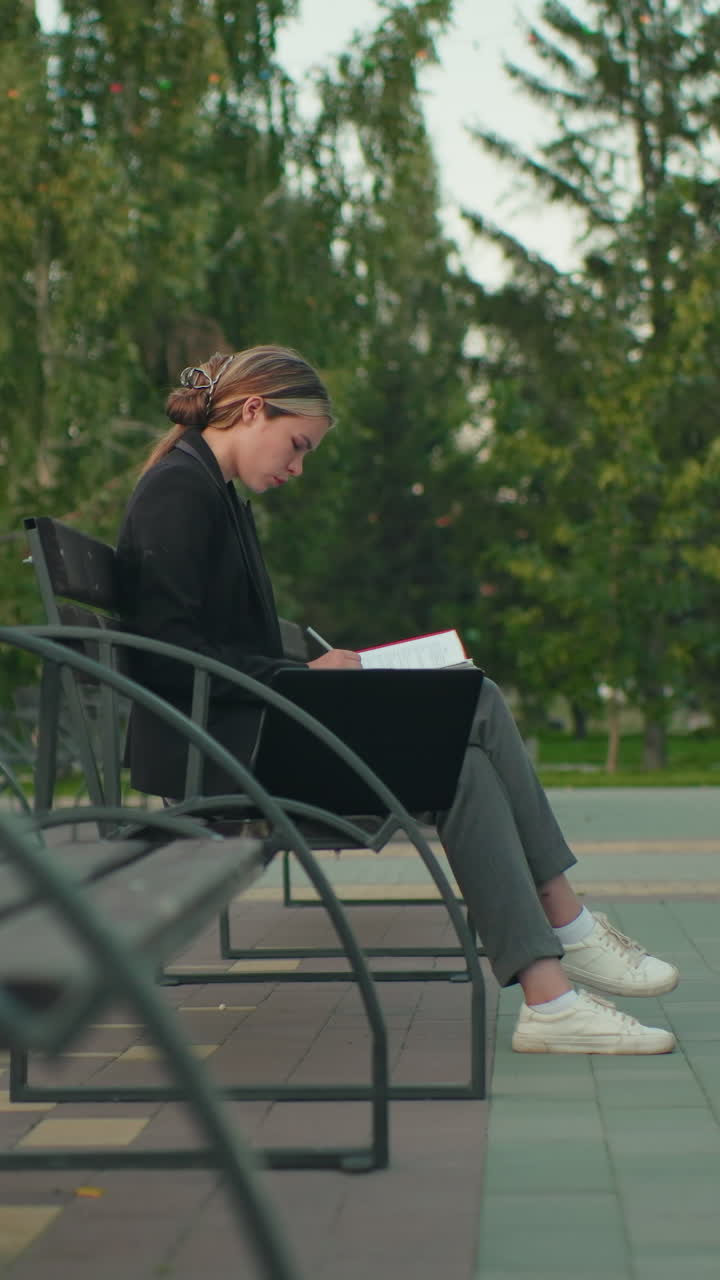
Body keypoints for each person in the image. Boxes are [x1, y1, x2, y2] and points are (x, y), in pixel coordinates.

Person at [116, 344, 679, 1056]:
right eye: (297, 446)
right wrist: (306, 676)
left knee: (461, 760)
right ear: (253, 409)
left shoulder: (212, 494)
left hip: (242, 734)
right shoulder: (180, 491)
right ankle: (567, 923)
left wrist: (312, 670)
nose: (297, 467)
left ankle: (551, 998)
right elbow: (168, 656)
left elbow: (213, 645)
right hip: (224, 754)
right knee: (472, 700)